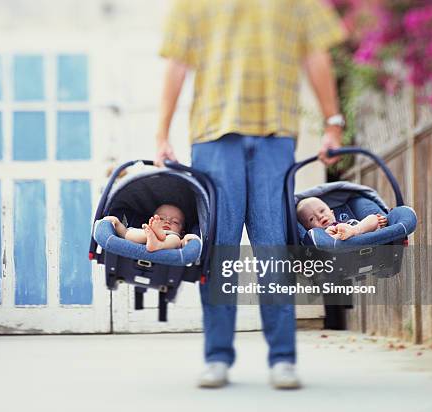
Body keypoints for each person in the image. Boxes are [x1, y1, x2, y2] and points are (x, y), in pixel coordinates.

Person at [156, 0, 347, 389]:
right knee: (219, 250)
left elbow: (316, 54)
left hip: (274, 135)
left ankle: (282, 359)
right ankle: (217, 358)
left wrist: (333, 123)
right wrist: (161, 133)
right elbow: (177, 64)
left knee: (274, 248)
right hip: (214, 135)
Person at [103, 204, 200, 252]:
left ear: (182, 232)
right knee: (130, 232)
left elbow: (185, 243)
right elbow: (124, 233)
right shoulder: (147, 230)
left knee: (176, 240)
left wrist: (188, 238)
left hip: (167, 239)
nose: (167, 221)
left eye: (175, 221)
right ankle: (155, 236)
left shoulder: (178, 237)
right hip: (147, 235)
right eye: (161, 218)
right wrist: (116, 222)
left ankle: (158, 243)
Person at [297, 197, 388, 240]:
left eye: (321, 211)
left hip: (357, 229)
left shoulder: (348, 222)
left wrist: (354, 229)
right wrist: (328, 236)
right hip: (339, 243)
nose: (320, 216)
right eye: (311, 219)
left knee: (372, 217)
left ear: (332, 212)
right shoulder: (319, 236)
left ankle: (356, 231)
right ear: (308, 228)